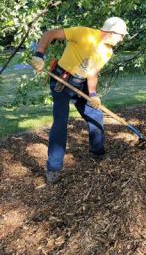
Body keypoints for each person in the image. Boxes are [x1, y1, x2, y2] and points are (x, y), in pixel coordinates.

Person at [31, 17, 128, 184]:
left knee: (95, 114)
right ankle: (53, 168)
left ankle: (97, 151)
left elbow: (92, 72)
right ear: (111, 33)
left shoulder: (108, 51)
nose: (122, 39)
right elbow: (50, 33)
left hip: (81, 83)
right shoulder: (83, 33)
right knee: (61, 122)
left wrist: (93, 94)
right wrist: (39, 53)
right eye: (121, 35)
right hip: (61, 80)